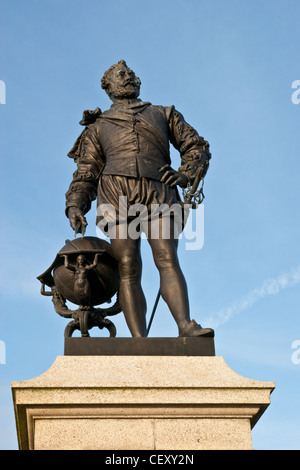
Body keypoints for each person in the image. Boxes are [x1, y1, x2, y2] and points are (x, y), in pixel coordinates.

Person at [65, 60, 214, 338]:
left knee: (167, 257)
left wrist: (185, 174)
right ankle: (139, 340)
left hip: (159, 189)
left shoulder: (163, 113)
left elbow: (195, 145)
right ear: (109, 87)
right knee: (127, 266)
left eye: (131, 73)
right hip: (116, 193)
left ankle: (185, 326)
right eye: (121, 75)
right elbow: (86, 171)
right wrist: (76, 203)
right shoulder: (97, 126)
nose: (129, 76)